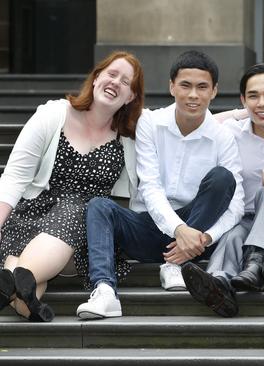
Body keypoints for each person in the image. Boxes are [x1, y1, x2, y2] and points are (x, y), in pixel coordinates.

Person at [75, 50, 244, 319]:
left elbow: (236, 205)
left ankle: (178, 263)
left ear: (214, 92)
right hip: (148, 227)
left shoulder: (222, 137)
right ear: (171, 87)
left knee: (223, 178)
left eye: (202, 87)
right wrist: (178, 230)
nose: (193, 95)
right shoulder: (150, 123)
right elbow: (149, 186)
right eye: (185, 85)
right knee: (99, 206)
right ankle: (105, 291)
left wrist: (203, 237)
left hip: (198, 236)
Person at [0, 51, 144, 322]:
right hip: (32, 216)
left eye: (125, 82)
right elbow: (15, 176)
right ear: (96, 77)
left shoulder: (131, 134)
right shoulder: (54, 114)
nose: (115, 82)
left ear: (131, 97)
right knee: (25, 298)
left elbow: (181, 117)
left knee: (79, 206)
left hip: (83, 229)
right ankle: (21, 293)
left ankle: (10, 279)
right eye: (111, 74)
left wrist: (243, 111)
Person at [181, 63, 264, 317]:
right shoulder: (231, 132)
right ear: (242, 99)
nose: (261, 103)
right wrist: (240, 113)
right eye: (253, 96)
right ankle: (218, 285)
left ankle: (255, 266)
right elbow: (199, 123)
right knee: (232, 234)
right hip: (243, 223)